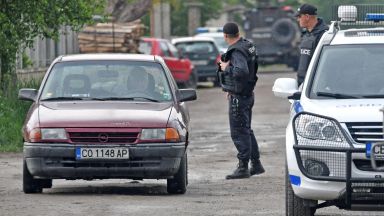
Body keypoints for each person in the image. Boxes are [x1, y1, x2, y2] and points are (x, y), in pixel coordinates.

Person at [218, 22, 264, 180]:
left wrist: (226, 68)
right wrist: (232, 88)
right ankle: (256, 164)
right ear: (238, 33)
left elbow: (241, 71)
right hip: (247, 94)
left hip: (240, 98)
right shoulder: (247, 45)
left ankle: (243, 167)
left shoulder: (236, 50)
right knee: (246, 130)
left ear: (225, 36)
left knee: (238, 131)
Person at [295, 3, 329, 86]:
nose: (298, 20)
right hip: (302, 83)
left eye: (299, 17)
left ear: (307, 17)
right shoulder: (305, 34)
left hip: (317, 85)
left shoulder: (324, 35)